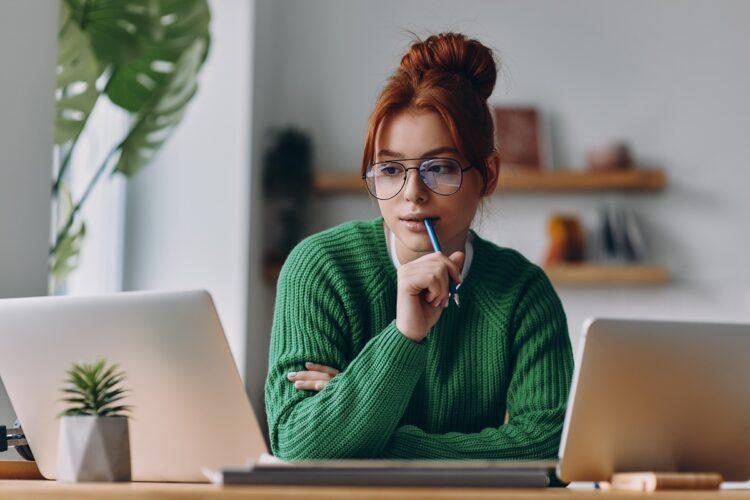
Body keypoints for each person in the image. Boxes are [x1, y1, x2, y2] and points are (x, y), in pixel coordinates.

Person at [264, 32, 573, 460]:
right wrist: (405, 334)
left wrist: (367, 434)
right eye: (390, 169)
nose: (412, 193)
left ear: (489, 175)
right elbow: (297, 443)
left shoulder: (522, 291)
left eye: (440, 168)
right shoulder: (321, 268)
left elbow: (548, 447)